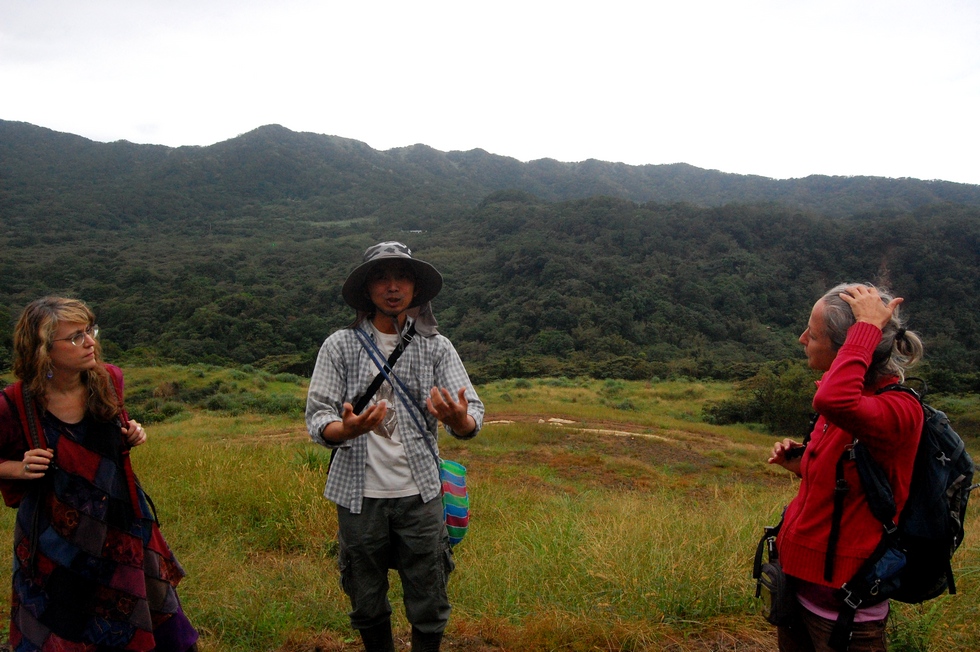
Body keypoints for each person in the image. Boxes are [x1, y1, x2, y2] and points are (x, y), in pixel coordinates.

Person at [306, 242, 484, 652]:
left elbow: (472, 410)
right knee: (365, 597)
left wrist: (460, 420)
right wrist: (344, 430)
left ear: (414, 288)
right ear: (367, 289)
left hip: (420, 494)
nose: (392, 287)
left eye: (401, 277)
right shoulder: (339, 346)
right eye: (381, 278)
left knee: (429, 594)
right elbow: (317, 417)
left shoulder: (436, 346)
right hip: (358, 495)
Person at [0, 297, 198, 652]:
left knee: (142, 626)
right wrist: (18, 467)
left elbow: (113, 438)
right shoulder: (14, 404)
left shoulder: (108, 380)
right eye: (75, 337)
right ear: (43, 348)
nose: (90, 341)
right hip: (54, 542)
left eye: (89, 330)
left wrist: (133, 432)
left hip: (120, 529)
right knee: (62, 632)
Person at [768, 284, 925, 652]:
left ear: (851, 346)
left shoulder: (898, 410)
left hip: (846, 609)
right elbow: (856, 483)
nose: (802, 338)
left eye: (814, 333)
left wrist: (866, 327)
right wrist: (804, 465)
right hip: (798, 587)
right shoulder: (848, 404)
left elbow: (832, 398)